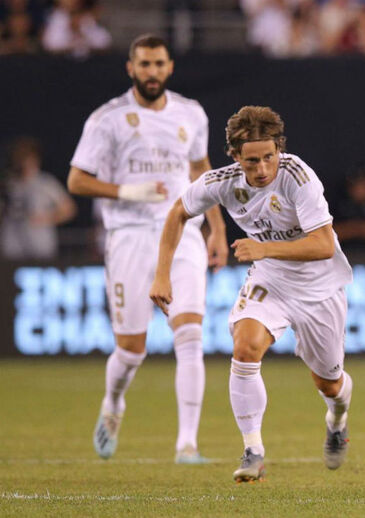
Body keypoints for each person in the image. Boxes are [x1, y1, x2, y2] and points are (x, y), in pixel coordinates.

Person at [150, 106, 355, 482]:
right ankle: (253, 451)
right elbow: (178, 212)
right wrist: (162, 274)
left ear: (279, 149)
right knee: (244, 346)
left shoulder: (298, 176)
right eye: (251, 161)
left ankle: (337, 418)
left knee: (329, 381)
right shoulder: (222, 181)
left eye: (268, 158)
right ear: (235, 157)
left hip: (318, 286)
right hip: (270, 281)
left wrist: (263, 249)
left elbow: (324, 245)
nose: (261, 169)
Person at [67, 34, 228, 464]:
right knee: (131, 350)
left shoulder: (191, 113)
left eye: (159, 63)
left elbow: (200, 169)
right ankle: (113, 404)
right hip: (130, 236)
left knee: (191, 336)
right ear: (130, 68)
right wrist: (126, 191)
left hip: (181, 232)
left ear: (170, 67)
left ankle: (187, 445)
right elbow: (77, 180)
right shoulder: (108, 119)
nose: (152, 71)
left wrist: (216, 227)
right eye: (144, 64)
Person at [1, 137, 77, 260]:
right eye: (19, 157)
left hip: (40, 247)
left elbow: (69, 209)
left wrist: (45, 218)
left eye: (26, 157)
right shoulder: (8, 184)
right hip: (13, 247)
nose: (22, 162)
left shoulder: (45, 183)